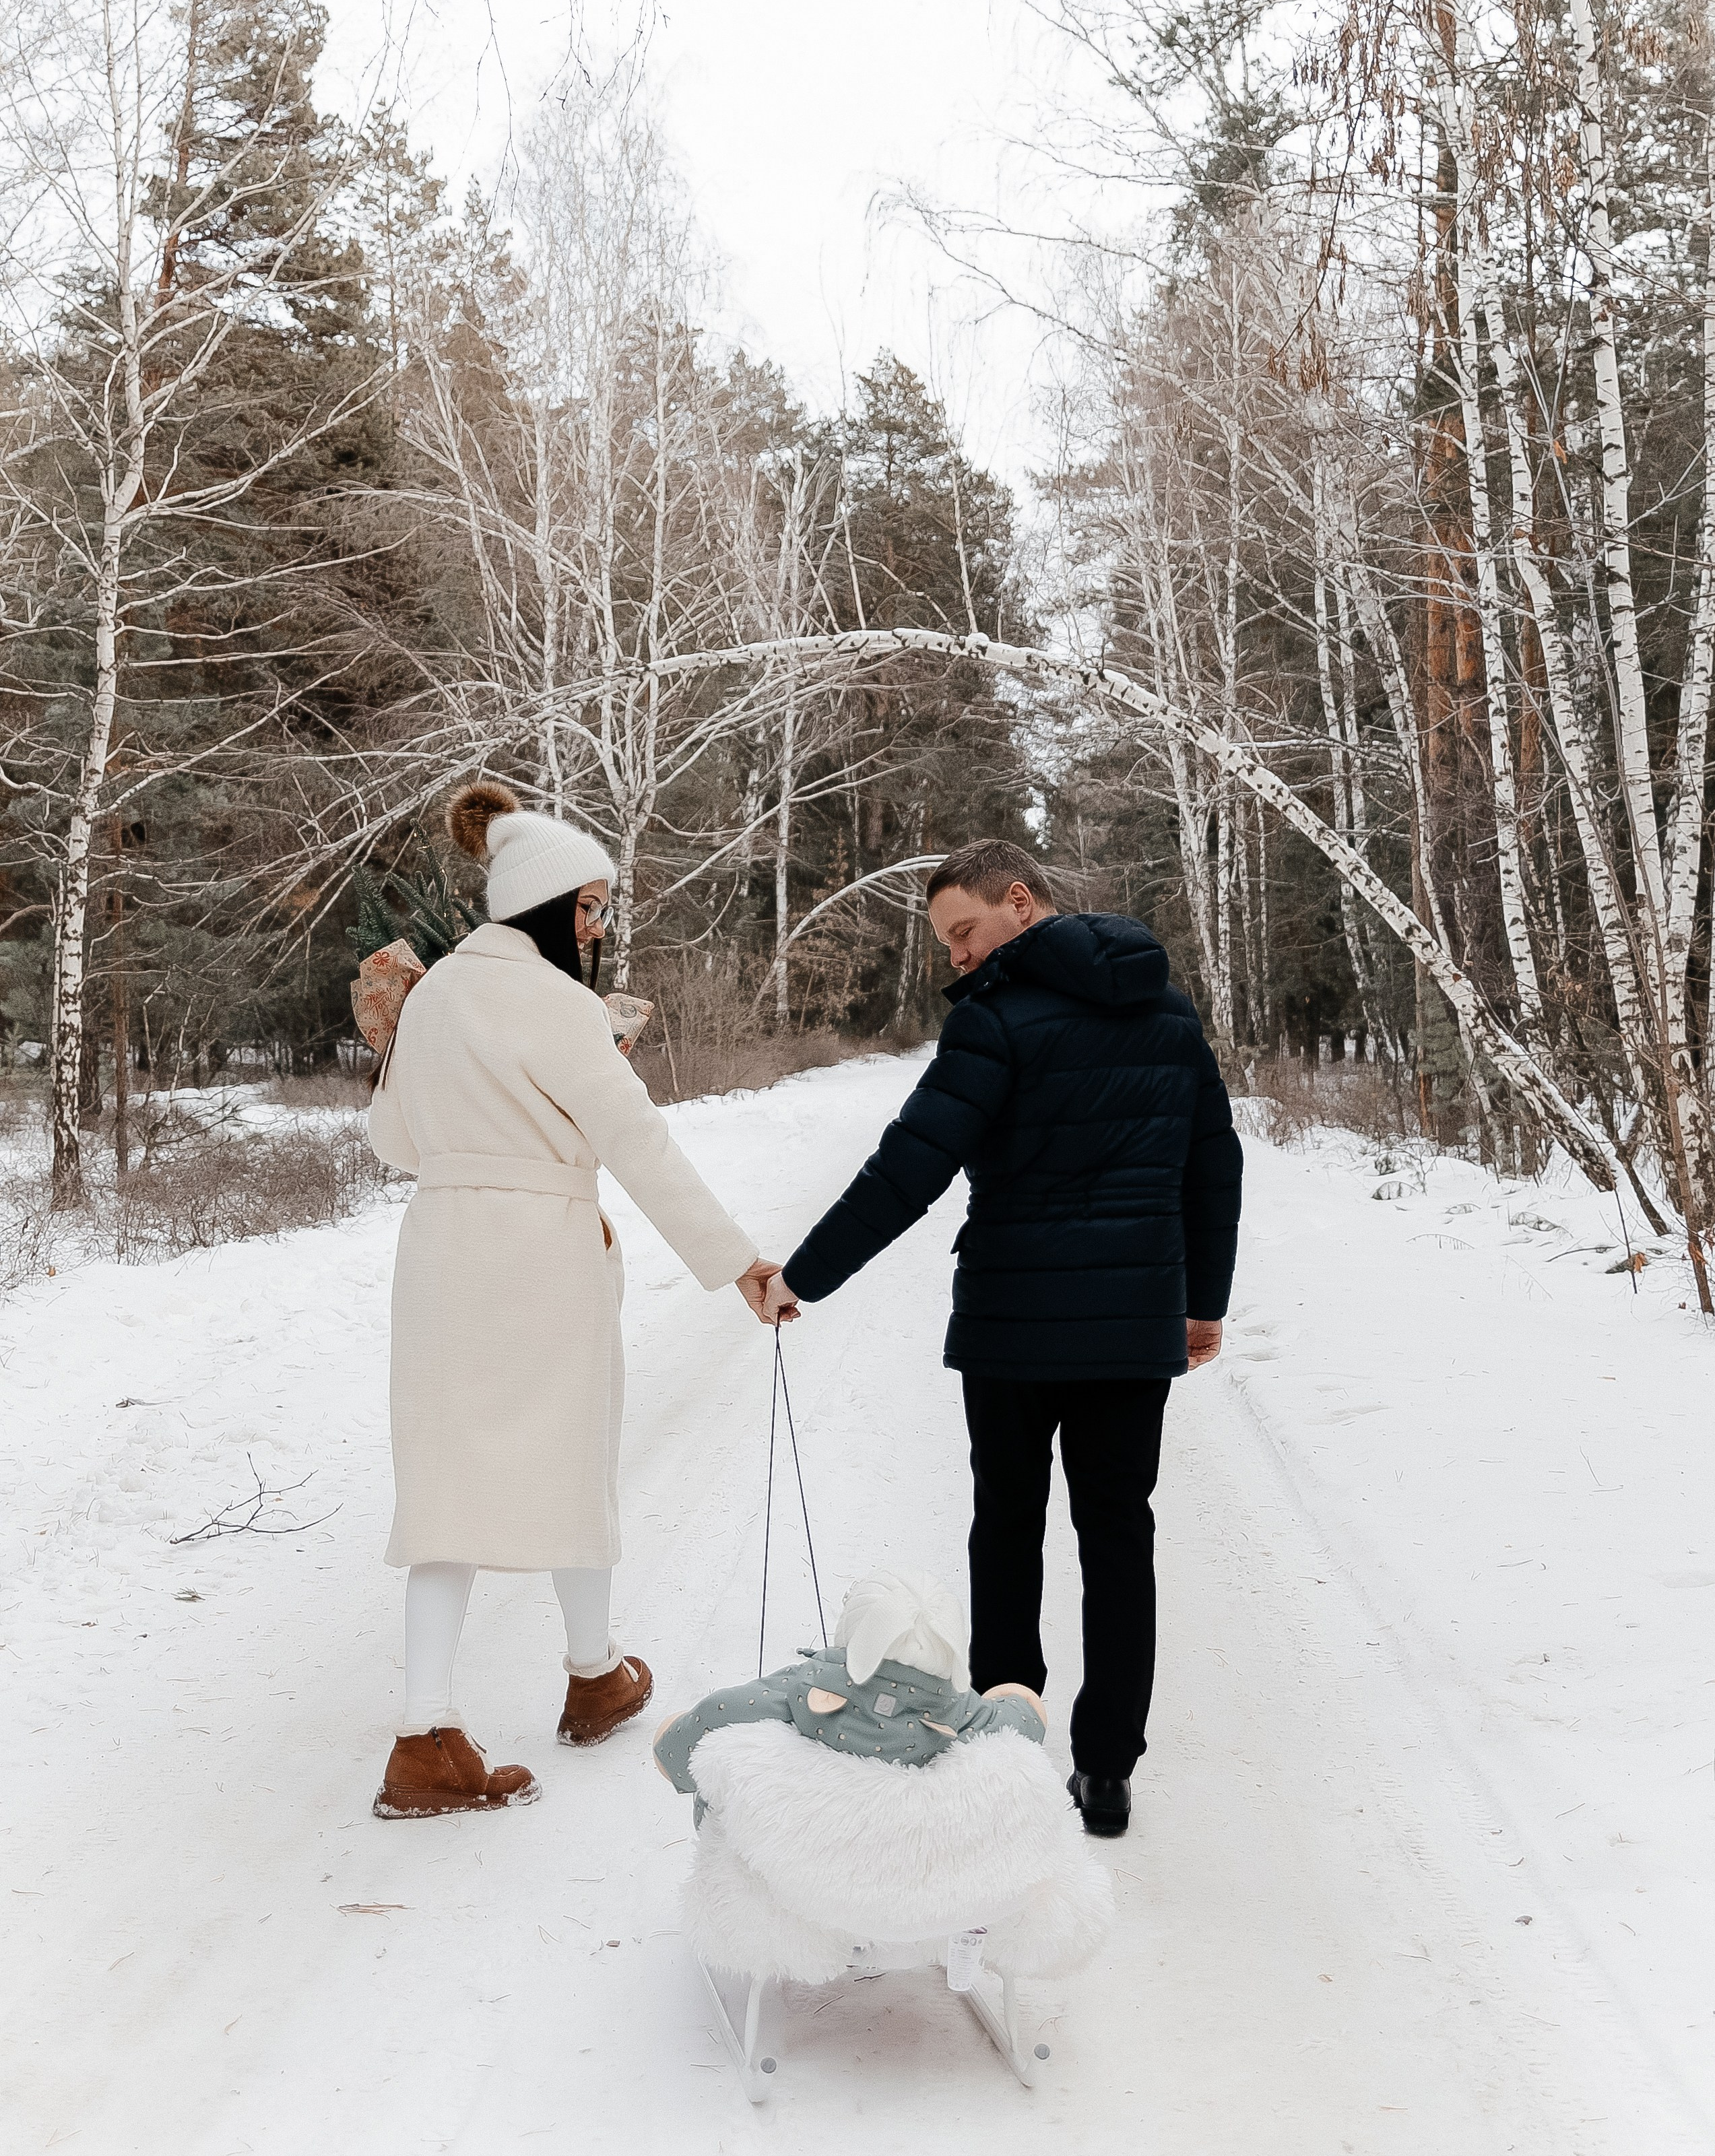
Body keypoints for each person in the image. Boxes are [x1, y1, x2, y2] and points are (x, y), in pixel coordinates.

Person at [765, 839, 1243, 1838]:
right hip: (1127, 1330)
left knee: (1008, 1531)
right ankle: (1106, 1770)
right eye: (945, 945)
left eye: (962, 932)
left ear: (1018, 901)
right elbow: (1212, 1165)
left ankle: (1006, 1751)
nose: (956, 958)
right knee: (1118, 1538)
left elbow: (911, 1166)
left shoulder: (996, 1020)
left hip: (1011, 1331)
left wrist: (802, 1275)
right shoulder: (1165, 1010)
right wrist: (1202, 1303)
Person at [367, 779, 786, 1819]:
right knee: (572, 1454)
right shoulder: (561, 1006)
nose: (597, 927)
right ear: (550, 904)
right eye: (590, 907)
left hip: (440, 1250)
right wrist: (737, 1261)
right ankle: (594, 1673)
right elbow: (633, 1141)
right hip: (541, 1254)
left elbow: (394, 1142)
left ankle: (425, 1736)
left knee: (443, 1486)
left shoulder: (434, 997)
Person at [652, 1569, 1046, 1823]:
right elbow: (1029, 1717)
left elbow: (675, 1752)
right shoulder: (964, 1717)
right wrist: (1003, 1694)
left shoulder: (790, 1695)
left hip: (786, 1871)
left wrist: (669, 1733)